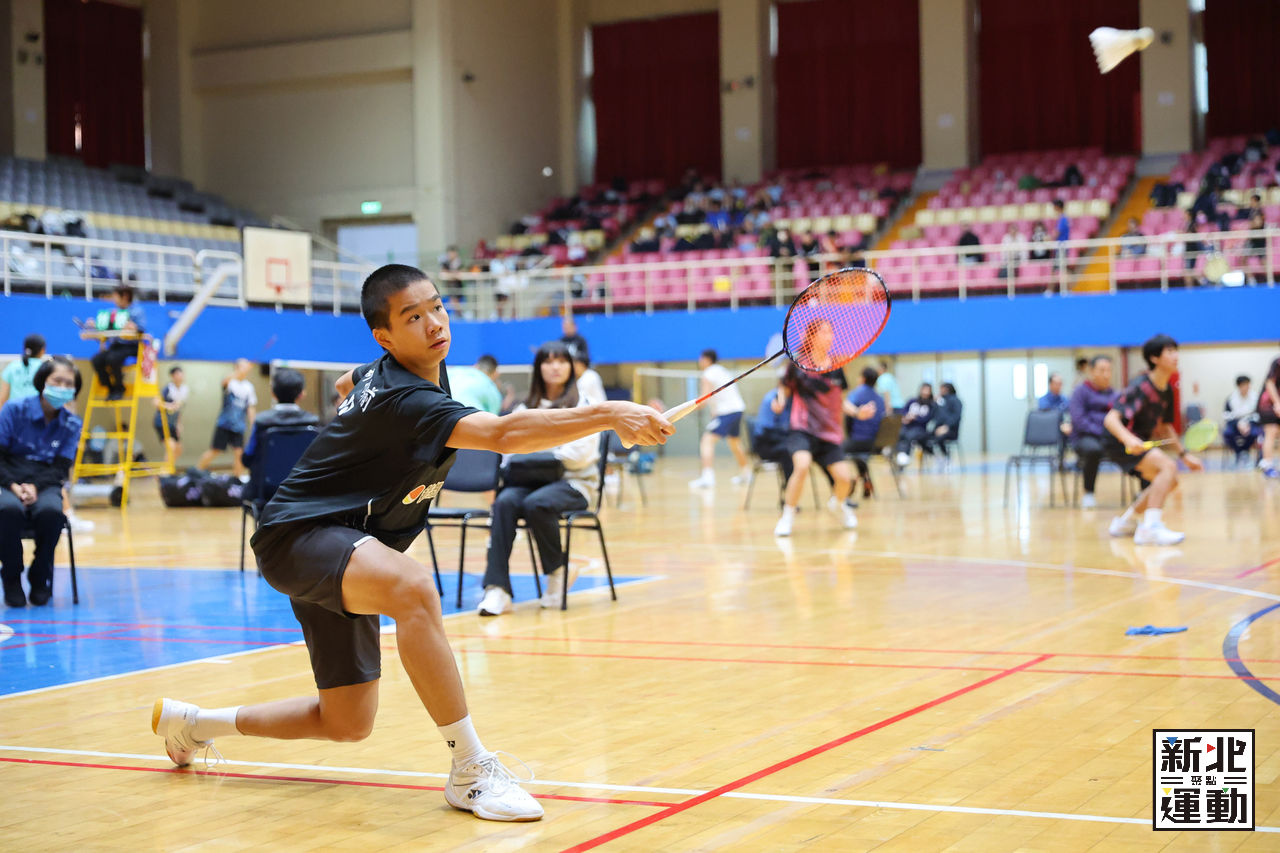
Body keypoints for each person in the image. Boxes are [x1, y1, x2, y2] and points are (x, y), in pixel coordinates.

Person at [151, 265, 672, 822]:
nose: (434, 323)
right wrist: (610, 413)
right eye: (413, 317)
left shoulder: (403, 372)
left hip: (343, 541)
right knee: (415, 589)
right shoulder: (407, 398)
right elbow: (502, 435)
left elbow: (350, 383)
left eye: (437, 307)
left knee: (347, 721)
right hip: (299, 534)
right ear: (385, 337)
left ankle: (194, 724)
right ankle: (470, 771)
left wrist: (357, 417)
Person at [477, 342, 602, 617]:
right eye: (548, 361)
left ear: (571, 367)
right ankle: (497, 588)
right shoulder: (524, 408)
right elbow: (509, 451)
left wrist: (538, 449)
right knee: (504, 502)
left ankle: (558, 572)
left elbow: (580, 456)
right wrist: (548, 450)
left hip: (575, 483)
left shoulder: (584, 406)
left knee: (537, 503)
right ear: (538, 368)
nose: (555, 367)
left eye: (561, 361)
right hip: (528, 482)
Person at [1103, 334, 1203, 545]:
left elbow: (1166, 427)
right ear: (1154, 358)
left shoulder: (1167, 390)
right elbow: (1110, 419)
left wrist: (1184, 456)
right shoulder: (1141, 386)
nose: (1176, 356)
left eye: (1176, 351)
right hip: (1119, 441)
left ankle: (1125, 522)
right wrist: (1128, 439)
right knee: (1167, 467)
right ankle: (1150, 528)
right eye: (1170, 352)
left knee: (1169, 481)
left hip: (1139, 443)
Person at [0, 356, 83, 607]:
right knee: (7, 510)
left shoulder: (71, 423)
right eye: (57, 380)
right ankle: (11, 577)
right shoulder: (14, 410)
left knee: (52, 512)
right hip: (9, 477)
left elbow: (61, 466)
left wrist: (36, 486)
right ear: (42, 381)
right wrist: (14, 485)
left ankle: (40, 575)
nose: (62, 387)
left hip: (46, 481)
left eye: (68, 383)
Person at [772, 319, 857, 537]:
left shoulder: (836, 367)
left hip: (828, 433)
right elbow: (784, 389)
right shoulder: (798, 365)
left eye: (830, 332)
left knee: (845, 479)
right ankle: (787, 516)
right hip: (802, 429)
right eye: (824, 332)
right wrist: (780, 401)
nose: (829, 336)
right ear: (811, 336)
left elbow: (841, 400)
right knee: (801, 466)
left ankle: (838, 505)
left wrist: (857, 412)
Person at [240, 368, 320, 496]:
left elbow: (247, 459)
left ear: (273, 393)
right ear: (302, 394)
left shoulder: (261, 422)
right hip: (302, 491)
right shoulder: (314, 423)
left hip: (265, 493)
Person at [689, 349, 749, 489]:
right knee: (735, 443)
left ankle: (708, 477)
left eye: (701, 358)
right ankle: (746, 474)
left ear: (706, 359)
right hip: (737, 409)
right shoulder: (722, 370)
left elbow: (704, 400)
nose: (699, 361)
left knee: (707, 440)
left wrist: (687, 409)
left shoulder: (708, 373)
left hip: (727, 412)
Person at [1068, 355, 1117, 508]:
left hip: (1110, 437)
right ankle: (1088, 492)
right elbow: (1078, 420)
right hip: (1085, 437)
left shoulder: (1115, 395)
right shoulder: (1080, 392)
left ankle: (1144, 491)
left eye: (1109, 370)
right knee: (1093, 450)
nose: (1106, 374)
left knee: (1137, 447)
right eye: (1102, 370)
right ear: (1092, 371)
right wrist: (1102, 432)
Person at [196, 358, 257, 479]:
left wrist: (254, 424)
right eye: (242, 366)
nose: (245, 369)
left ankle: (237, 479)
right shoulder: (230, 382)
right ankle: (196, 472)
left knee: (239, 453)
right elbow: (224, 381)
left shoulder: (249, 387)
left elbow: (251, 407)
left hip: (239, 426)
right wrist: (240, 371)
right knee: (215, 450)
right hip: (224, 423)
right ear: (236, 368)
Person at [88, 283, 146, 400]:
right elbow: (107, 329)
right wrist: (96, 326)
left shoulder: (136, 311)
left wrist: (134, 327)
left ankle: (120, 388)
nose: (114, 299)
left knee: (113, 358)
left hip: (131, 347)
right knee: (97, 360)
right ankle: (111, 388)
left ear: (125, 296)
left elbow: (141, 330)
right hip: (116, 346)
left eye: (116, 296)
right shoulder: (112, 312)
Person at [843, 366, 885, 496]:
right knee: (859, 457)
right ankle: (865, 479)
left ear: (863, 379)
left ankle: (849, 481)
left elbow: (846, 411)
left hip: (858, 441)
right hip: (876, 443)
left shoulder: (856, 393)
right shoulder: (880, 398)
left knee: (834, 452)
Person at [752, 384, 794, 481]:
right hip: (765, 444)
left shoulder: (791, 399)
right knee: (788, 450)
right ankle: (789, 485)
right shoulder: (771, 399)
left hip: (779, 439)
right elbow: (766, 431)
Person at [153, 366, 190, 471]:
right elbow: (155, 402)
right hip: (162, 422)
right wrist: (168, 406)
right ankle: (165, 473)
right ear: (172, 376)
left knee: (178, 449)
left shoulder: (184, 389)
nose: (180, 376)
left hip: (172, 423)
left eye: (181, 373)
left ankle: (166, 469)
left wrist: (178, 423)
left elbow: (179, 409)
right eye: (177, 374)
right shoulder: (168, 389)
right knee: (171, 447)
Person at [0, 334, 47, 407]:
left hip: (14, 411)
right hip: (37, 411)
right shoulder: (45, 368)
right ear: (42, 350)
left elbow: (2, 399)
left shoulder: (12, 367)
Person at [1223, 374, 1260, 466]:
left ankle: (1245, 452)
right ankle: (1238, 453)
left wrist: (1248, 423)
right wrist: (1238, 423)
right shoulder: (1231, 398)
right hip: (1235, 423)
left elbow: (1258, 414)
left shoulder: (1255, 397)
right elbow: (1226, 415)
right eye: (1244, 385)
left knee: (1254, 433)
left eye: (1248, 384)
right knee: (1227, 434)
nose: (1247, 387)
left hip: (1250, 423)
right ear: (1239, 386)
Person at [895, 383, 936, 466]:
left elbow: (927, 419)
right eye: (924, 389)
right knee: (900, 433)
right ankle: (900, 454)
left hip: (920, 429)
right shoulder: (912, 401)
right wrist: (906, 417)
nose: (925, 392)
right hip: (907, 426)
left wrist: (915, 418)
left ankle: (904, 455)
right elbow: (902, 411)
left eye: (927, 390)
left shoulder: (932, 405)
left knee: (910, 435)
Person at [1258, 353, 1280, 479]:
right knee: (1271, 431)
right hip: (1268, 404)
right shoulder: (1277, 362)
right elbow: (1270, 383)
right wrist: (1277, 403)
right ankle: (1268, 466)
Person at [931, 383, 963, 462]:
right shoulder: (940, 401)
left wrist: (946, 426)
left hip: (951, 430)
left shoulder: (955, 401)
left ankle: (946, 457)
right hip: (938, 428)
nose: (940, 391)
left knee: (939, 439)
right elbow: (935, 416)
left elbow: (956, 417)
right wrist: (934, 403)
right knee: (923, 437)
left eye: (942, 389)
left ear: (947, 389)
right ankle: (937, 457)